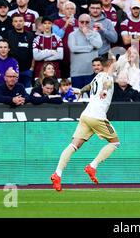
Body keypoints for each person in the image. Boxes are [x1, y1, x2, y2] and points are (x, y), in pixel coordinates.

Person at [51, 53, 120, 191]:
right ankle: (92, 166)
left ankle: (57, 173)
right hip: (97, 116)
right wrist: (105, 91)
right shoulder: (107, 77)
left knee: (74, 145)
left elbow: (89, 86)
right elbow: (107, 84)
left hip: (86, 115)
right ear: (110, 64)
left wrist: (81, 91)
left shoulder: (98, 76)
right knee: (115, 143)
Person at [68, 13, 103, 88]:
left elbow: (99, 45)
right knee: (77, 97)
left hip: (92, 72)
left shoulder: (95, 34)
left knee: (92, 97)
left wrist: (88, 34)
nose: (84, 24)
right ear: (78, 22)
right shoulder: (72, 35)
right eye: (82, 22)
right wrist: (90, 47)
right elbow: (73, 48)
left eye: (87, 22)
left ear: (90, 23)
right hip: (77, 73)